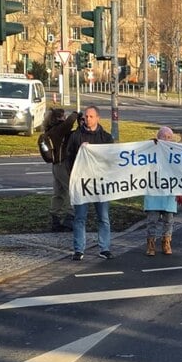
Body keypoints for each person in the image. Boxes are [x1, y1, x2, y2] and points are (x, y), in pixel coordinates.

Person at [64, 106, 114, 261]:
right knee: (80, 217)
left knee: (103, 217)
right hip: (82, 183)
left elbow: (112, 159)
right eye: (86, 116)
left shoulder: (106, 137)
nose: (87, 119)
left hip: (100, 183)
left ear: (98, 118)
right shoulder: (76, 136)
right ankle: (79, 249)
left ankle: (104, 248)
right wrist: (74, 175)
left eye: (91, 116)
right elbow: (69, 157)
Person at [144, 126, 182, 256]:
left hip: (169, 191)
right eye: (163, 137)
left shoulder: (176, 152)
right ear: (158, 138)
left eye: (169, 137)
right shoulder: (151, 149)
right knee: (152, 220)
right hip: (153, 190)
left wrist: (181, 190)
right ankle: (151, 244)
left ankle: (166, 242)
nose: (166, 140)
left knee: (168, 220)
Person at [43, 107, 80, 231]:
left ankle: (55, 219)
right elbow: (69, 122)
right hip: (63, 164)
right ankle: (70, 218)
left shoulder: (51, 130)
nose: (64, 118)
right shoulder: (59, 129)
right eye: (62, 116)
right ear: (57, 118)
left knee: (58, 193)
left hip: (55, 166)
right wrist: (76, 114)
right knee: (72, 190)